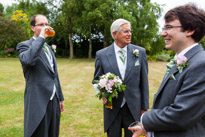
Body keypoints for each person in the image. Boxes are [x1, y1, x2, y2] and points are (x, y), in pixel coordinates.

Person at [128, 3, 205, 137]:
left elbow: (182, 114)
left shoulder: (201, 64)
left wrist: (145, 120)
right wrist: (148, 128)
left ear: (190, 30)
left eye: (168, 27)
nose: (163, 33)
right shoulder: (185, 59)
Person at [93, 18, 149, 137]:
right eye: (125, 31)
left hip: (133, 108)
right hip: (112, 107)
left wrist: (144, 108)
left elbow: (144, 81)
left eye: (130, 31)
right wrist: (103, 93)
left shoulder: (140, 52)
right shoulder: (101, 55)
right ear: (115, 34)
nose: (129, 34)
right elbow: (96, 80)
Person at [16, 14, 64, 137]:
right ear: (33, 28)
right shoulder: (24, 45)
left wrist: (60, 97)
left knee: (53, 133)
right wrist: (41, 37)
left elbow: (54, 74)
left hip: (53, 100)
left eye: (47, 24)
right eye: (41, 24)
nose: (45, 27)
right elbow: (28, 60)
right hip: (38, 100)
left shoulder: (48, 48)